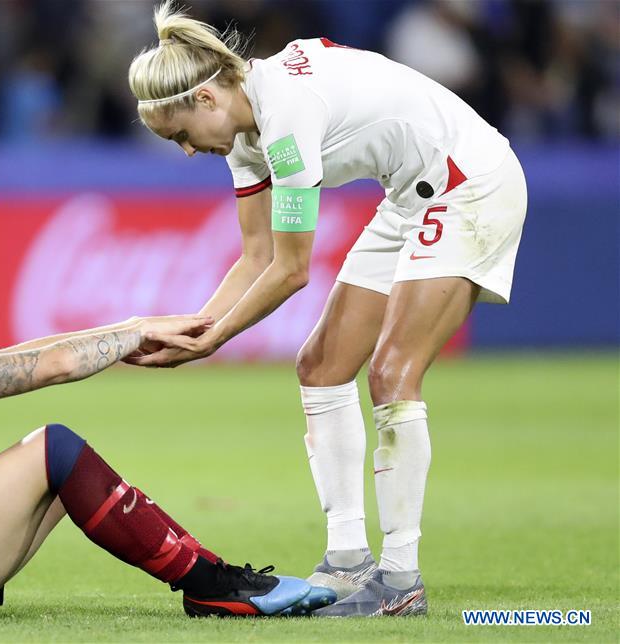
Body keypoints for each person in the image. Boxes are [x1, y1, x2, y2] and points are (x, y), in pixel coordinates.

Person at [127, 2, 527, 618]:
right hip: (409, 195)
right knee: (320, 365)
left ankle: (400, 579)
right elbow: (256, 254)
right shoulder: (245, 133)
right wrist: (194, 328)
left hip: (467, 182)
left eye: (179, 134)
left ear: (207, 99)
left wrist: (213, 343)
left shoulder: (284, 116)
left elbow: (290, 270)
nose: (184, 151)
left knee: (392, 372)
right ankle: (348, 561)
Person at [0, 227, 336, 620]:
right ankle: (210, 585)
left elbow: (11, 356)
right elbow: (53, 366)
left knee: (68, 481)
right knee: (55, 448)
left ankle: (210, 578)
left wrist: (131, 327)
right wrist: (134, 335)